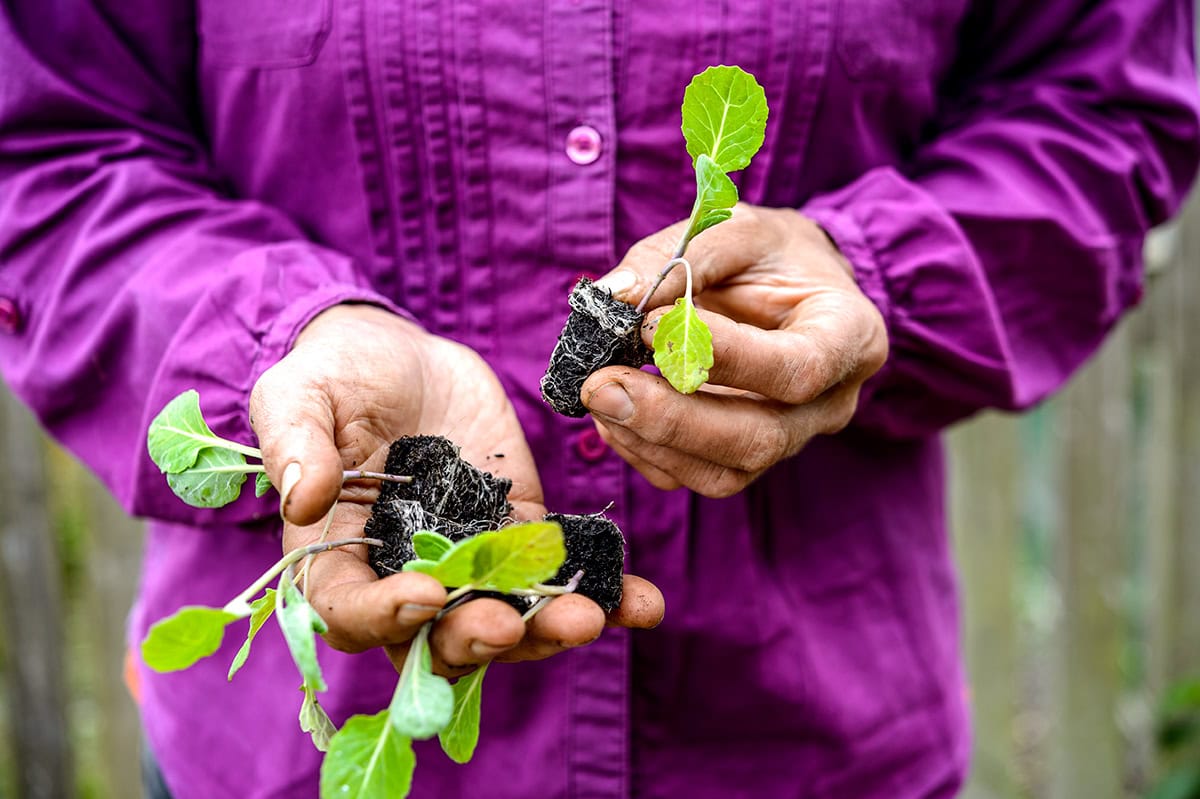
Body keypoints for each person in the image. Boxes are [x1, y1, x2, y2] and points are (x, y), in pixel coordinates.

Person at [1, 1, 1197, 797]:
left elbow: (1103, 108)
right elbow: (46, 146)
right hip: (270, 762)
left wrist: (865, 275)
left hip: (814, 744)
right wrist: (290, 339)